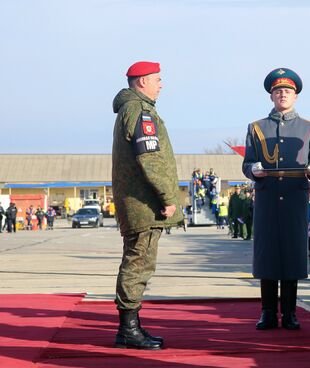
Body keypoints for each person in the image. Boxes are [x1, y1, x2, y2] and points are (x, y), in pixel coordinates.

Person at [242, 67, 310, 331]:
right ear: (271, 96)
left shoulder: (309, 127)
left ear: (295, 96)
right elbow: (247, 164)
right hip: (267, 200)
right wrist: (253, 169)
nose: (282, 95)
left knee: (291, 255)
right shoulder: (256, 127)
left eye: (287, 91)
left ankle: (289, 312)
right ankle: (267, 312)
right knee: (267, 256)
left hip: (293, 199)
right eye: (278, 91)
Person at [112, 61, 184, 350]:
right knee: (138, 264)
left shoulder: (134, 108)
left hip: (139, 203)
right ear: (142, 82)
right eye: (157, 79)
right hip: (144, 204)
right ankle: (128, 330)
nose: (161, 84)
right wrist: (168, 198)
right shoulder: (140, 111)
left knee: (138, 262)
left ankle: (130, 327)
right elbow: (151, 160)